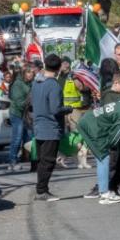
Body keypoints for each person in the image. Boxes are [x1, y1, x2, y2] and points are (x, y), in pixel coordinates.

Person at [32, 54, 69, 201]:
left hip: (39, 126)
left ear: (45, 65)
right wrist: (68, 109)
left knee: (42, 161)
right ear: (59, 68)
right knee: (47, 162)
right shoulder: (54, 85)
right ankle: (42, 191)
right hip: (50, 128)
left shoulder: (36, 82)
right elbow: (55, 109)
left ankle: (42, 190)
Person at [7, 66, 35, 172]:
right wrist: (29, 100)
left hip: (26, 114)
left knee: (28, 138)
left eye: (32, 73)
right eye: (29, 73)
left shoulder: (30, 83)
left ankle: (31, 160)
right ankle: (12, 162)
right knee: (17, 138)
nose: (31, 75)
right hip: (17, 114)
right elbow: (19, 103)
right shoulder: (18, 84)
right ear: (24, 73)